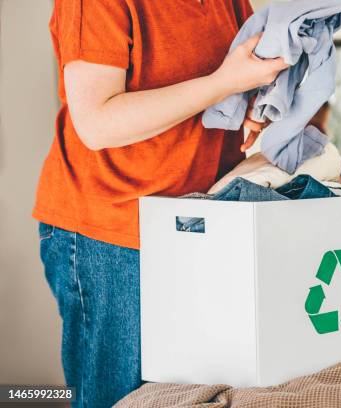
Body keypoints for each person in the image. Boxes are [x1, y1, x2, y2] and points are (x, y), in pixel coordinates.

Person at [33, 1, 288, 406]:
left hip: (197, 227)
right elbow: (97, 124)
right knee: (118, 397)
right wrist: (225, 82)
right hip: (115, 234)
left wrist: (252, 102)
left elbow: (229, 81)